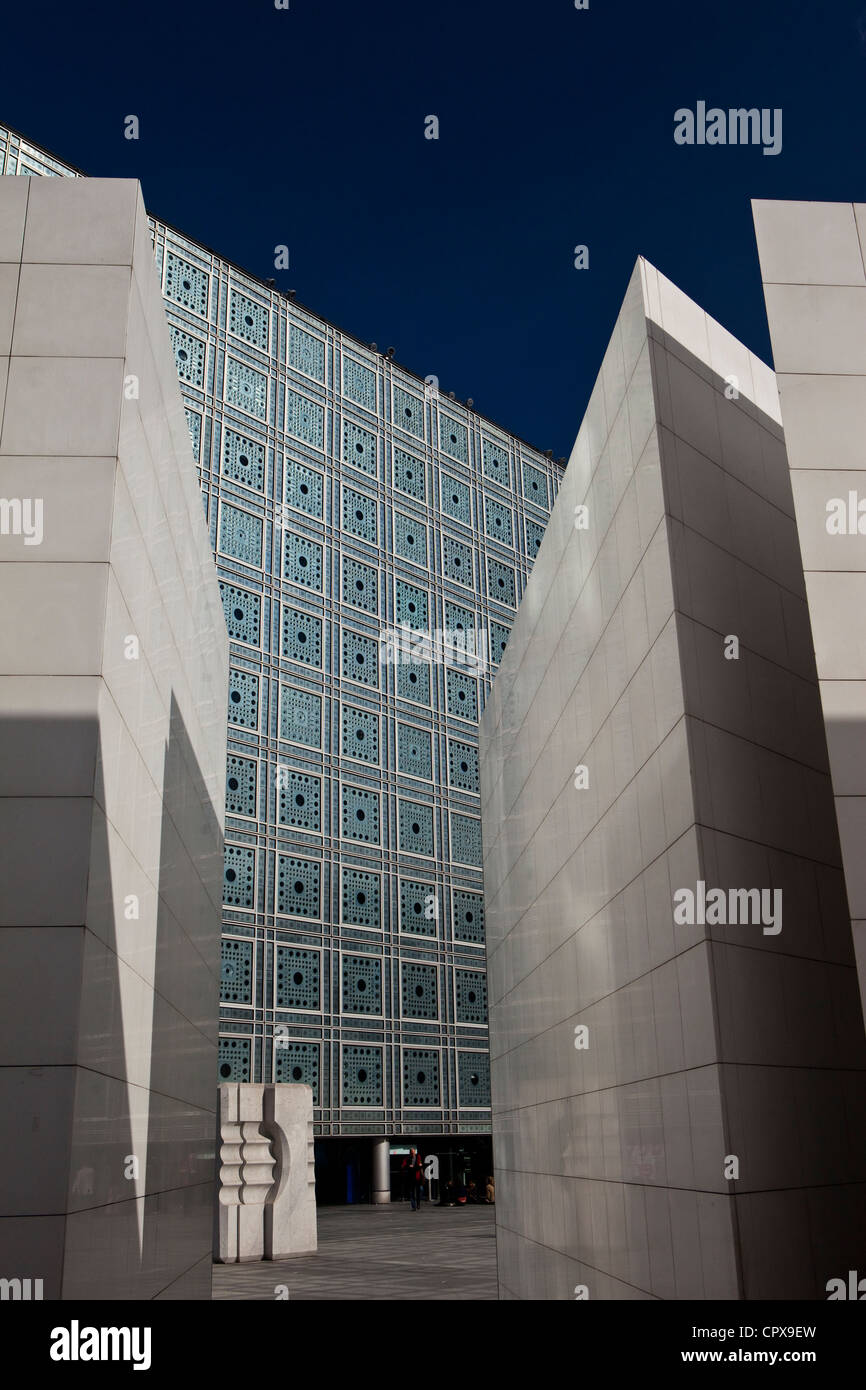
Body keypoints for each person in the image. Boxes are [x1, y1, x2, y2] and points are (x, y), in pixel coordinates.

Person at [401, 1146, 424, 1210]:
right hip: (411, 1178)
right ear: (409, 1153)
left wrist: (415, 1167)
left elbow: (420, 1165)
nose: (412, 1154)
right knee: (412, 1192)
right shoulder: (407, 1158)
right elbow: (403, 1166)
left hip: (418, 1177)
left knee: (419, 1192)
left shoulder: (418, 1157)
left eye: (413, 1152)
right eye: (411, 1153)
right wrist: (408, 1166)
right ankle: (414, 1206)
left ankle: (418, 1204)